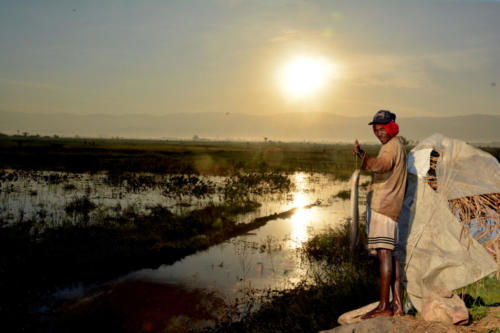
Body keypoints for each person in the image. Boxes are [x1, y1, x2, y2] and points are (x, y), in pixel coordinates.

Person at [353, 109, 407, 318]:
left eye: (382, 128)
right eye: (376, 128)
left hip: (384, 208)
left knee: (384, 255)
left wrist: (362, 155)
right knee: (391, 258)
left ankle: (384, 307)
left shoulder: (391, 147)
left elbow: (382, 165)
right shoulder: (395, 145)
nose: (379, 132)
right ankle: (398, 306)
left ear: (391, 127)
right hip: (390, 208)